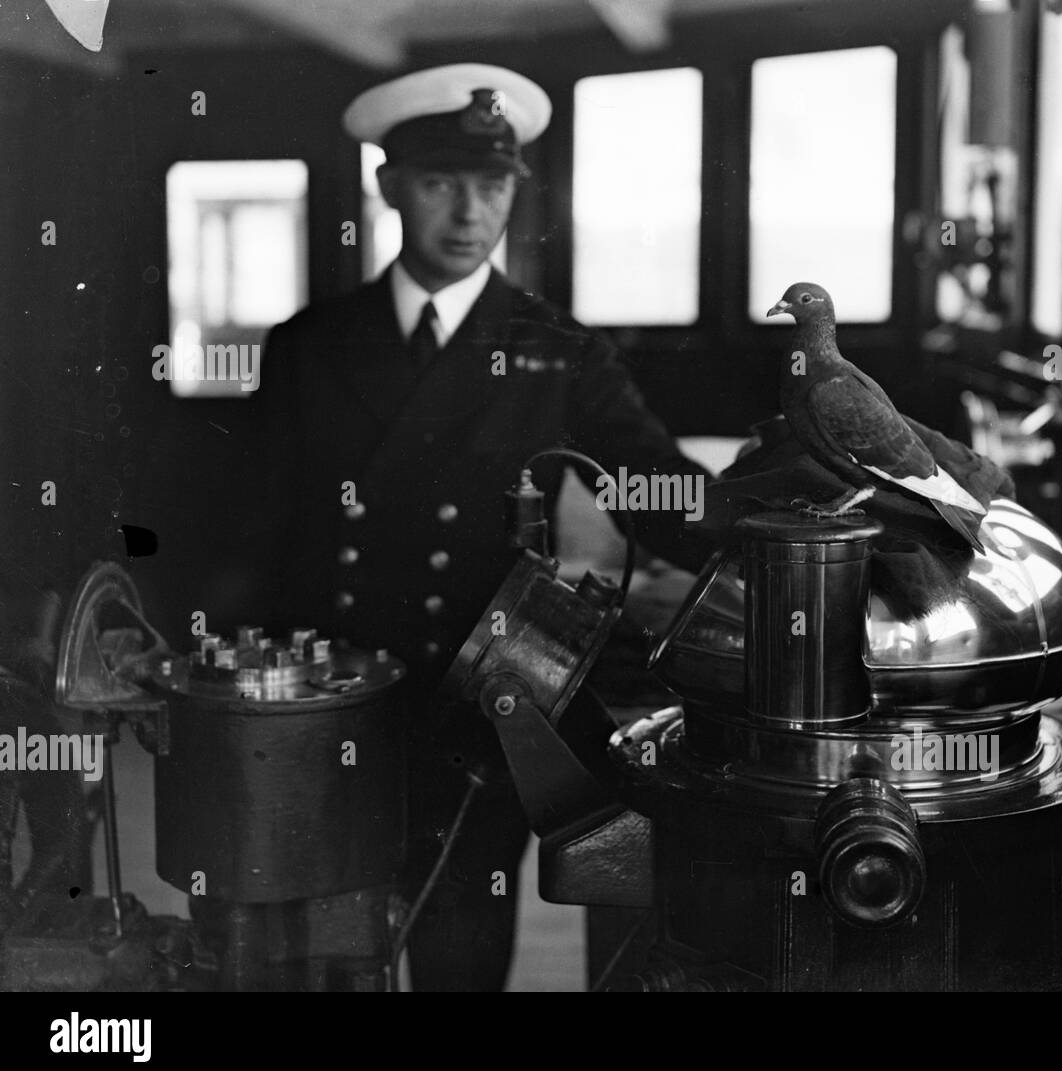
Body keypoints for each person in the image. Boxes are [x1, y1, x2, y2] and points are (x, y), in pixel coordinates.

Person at [246, 63, 713, 990]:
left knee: (461, 945)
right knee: (314, 954)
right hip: (329, 704)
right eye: (440, 183)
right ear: (389, 187)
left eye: (493, 185)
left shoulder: (556, 350)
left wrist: (786, 526)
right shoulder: (307, 346)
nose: (470, 212)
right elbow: (247, 526)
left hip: (479, 705)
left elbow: (659, 490)